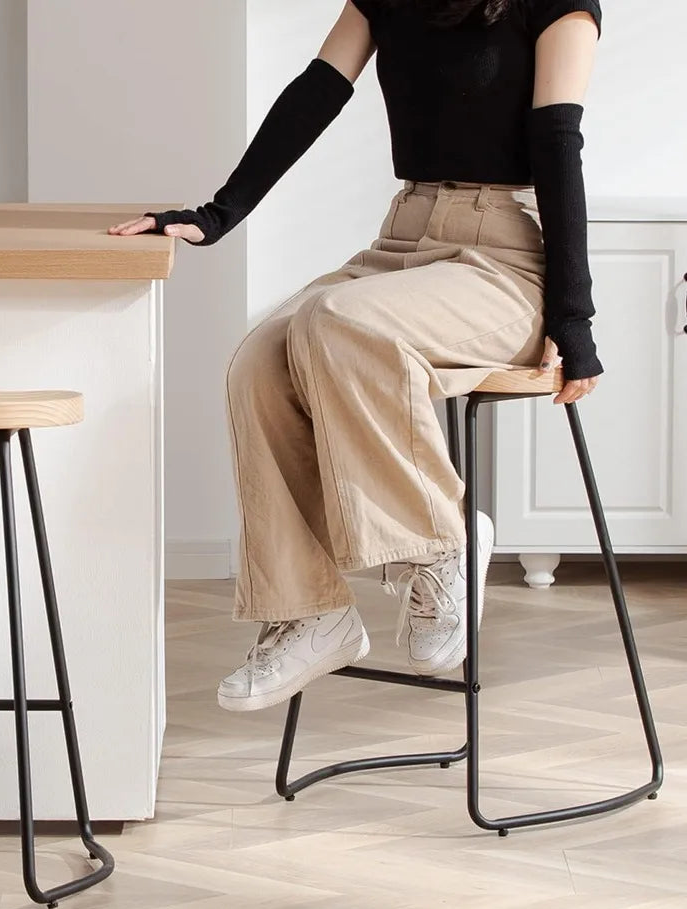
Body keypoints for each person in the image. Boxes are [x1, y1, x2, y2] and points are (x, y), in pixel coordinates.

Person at [108, 0, 603, 712]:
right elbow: (317, 90)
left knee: (337, 321)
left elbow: (558, 143)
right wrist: (218, 213)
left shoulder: (560, 4)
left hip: (505, 260)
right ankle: (310, 611)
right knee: (261, 358)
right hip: (404, 236)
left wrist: (573, 315)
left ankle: (440, 545)